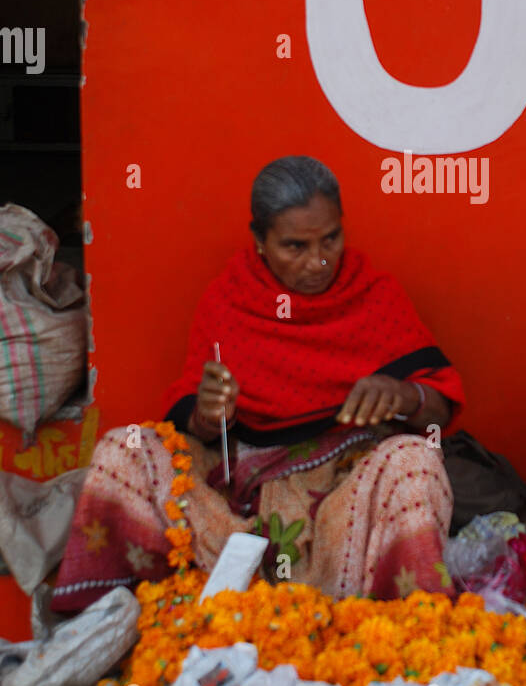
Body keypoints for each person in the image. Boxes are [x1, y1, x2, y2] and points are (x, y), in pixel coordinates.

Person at [52, 157, 464, 611]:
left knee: (415, 461)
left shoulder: (373, 293)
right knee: (123, 450)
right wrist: (209, 415)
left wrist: (406, 396)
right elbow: (194, 414)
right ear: (260, 242)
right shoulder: (229, 300)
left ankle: (400, 629)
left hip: (342, 504)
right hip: (235, 502)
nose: (319, 261)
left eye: (331, 238)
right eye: (295, 246)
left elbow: (439, 409)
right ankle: (138, 622)